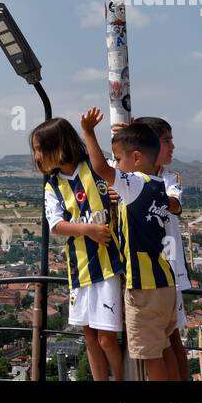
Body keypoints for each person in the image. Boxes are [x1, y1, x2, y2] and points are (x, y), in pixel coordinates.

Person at [81, 109, 177, 382]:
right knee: (163, 347)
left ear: (135, 159)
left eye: (119, 159)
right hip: (165, 284)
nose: (116, 164)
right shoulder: (158, 185)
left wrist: (88, 132)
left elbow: (100, 170)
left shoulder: (135, 184)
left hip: (144, 290)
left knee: (150, 358)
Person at [31, 116, 125, 381]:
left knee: (106, 338)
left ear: (57, 145)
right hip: (80, 269)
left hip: (108, 264)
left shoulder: (93, 167)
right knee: (90, 337)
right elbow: (56, 225)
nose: (37, 156)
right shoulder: (53, 185)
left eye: (40, 148)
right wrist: (88, 231)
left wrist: (92, 132)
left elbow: (116, 176)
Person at [137, 116, 191, 381]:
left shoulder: (170, 178)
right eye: (166, 140)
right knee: (160, 340)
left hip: (168, 267)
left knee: (172, 338)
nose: (172, 146)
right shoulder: (131, 175)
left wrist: (141, 191)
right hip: (144, 269)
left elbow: (175, 205)